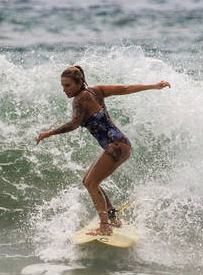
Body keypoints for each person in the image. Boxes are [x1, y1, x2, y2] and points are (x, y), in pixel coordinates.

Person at [36, 66, 171, 236]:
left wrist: (48, 133)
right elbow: (125, 89)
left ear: (79, 83)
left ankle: (105, 226)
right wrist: (153, 86)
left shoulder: (80, 99)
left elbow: (74, 124)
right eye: (62, 86)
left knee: (91, 183)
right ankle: (112, 217)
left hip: (116, 145)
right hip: (121, 145)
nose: (64, 90)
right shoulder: (95, 91)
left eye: (68, 85)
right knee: (88, 181)